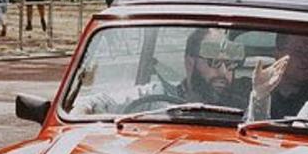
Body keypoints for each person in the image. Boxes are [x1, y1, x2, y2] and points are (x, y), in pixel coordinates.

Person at [72, 27, 286, 115]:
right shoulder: (158, 96)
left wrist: (260, 96)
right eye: (213, 62)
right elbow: (101, 101)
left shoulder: (242, 103)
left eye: (230, 65)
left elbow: (257, 137)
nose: (223, 72)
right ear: (190, 63)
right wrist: (84, 107)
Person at [259, 33, 308, 118]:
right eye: (298, 51)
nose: (306, 59)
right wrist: (259, 96)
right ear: (278, 55)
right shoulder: (251, 90)